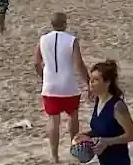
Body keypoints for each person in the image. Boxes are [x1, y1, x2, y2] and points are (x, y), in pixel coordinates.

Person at [35, 12, 88, 163]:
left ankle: (54, 155)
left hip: (51, 85)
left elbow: (36, 62)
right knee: (73, 115)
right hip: (68, 84)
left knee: (53, 120)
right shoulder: (72, 40)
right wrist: (88, 81)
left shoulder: (43, 40)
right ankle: (74, 148)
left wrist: (44, 77)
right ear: (65, 24)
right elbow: (79, 64)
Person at [76, 61, 133, 165]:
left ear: (107, 83)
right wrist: (86, 135)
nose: (90, 82)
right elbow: (103, 130)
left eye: (96, 80)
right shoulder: (99, 100)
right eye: (91, 79)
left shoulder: (117, 106)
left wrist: (107, 142)